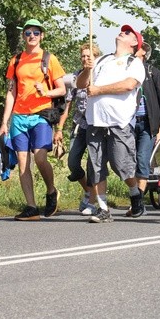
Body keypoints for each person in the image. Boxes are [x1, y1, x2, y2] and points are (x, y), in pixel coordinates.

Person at [76, 24, 146, 223]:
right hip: (95, 120)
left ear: (134, 43)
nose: (122, 32)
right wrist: (87, 70)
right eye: (123, 30)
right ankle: (103, 207)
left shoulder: (134, 63)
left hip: (119, 121)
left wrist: (99, 90)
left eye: (128, 33)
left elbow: (128, 85)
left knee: (120, 164)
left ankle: (134, 192)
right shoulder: (102, 60)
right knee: (96, 166)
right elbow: (82, 84)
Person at [0, 19, 66, 220]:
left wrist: (45, 91)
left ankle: (51, 190)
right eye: (28, 33)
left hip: (40, 115)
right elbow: (11, 92)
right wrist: (5, 121)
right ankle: (31, 207)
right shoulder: (16, 61)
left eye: (36, 33)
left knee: (40, 157)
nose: (31, 37)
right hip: (19, 117)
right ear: (23, 36)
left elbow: (62, 89)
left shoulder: (48, 59)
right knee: (22, 163)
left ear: (42, 36)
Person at [54, 43, 101, 215]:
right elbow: (67, 106)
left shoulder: (100, 76)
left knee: (93, 164)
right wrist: (59, 129)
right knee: (73, 162)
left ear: (96, 57)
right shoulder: (75, 77)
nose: (85, 59)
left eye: (89, 56)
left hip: (96, 126)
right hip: (79, 125)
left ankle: (92, 200)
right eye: (83, 56)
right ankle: (88, 190)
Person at [126, 41, 160, 217]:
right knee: (127, 162)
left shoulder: (154, 73)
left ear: (144, 53)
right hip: (127, 124)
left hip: (148, 125)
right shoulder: (124, 72)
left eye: (136, 49)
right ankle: (135, 198)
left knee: (142, 161)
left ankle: (138, 202)